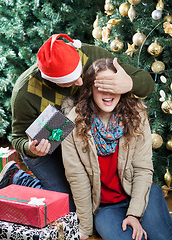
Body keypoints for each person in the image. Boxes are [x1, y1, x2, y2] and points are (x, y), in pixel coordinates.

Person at [0, 34, 154, 212]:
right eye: (71, 82)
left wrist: (130, 82)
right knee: (68, 207)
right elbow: (17, 138)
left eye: (80, 74)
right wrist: (31, 148)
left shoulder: (92, 56)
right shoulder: (25, 93)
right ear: (51, 80)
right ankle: (17, 178)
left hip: (79, 141)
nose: (80, 82)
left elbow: (147, 83)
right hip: (47, 149)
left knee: (91, 199)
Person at [61, 58, 172, 240]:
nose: (108, 93)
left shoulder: (137, 115)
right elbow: (77, 179)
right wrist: (85, 228)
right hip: (107, 207)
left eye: (112, 85)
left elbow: (143, 169)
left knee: (161, 236)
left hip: (141, 192)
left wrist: (134, 214)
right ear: (90, 89)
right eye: (101, 86)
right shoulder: (72, 124)